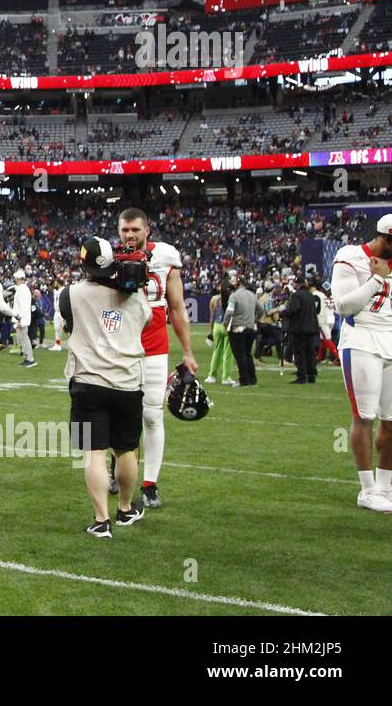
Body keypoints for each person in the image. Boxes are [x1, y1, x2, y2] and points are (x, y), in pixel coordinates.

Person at [62, 237, 153, 539]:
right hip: (127, 382)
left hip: (88, 381)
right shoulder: (137, 297)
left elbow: (67, 324)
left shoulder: (71, 294)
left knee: (94, 453)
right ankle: (125, 508)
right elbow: (145, 320)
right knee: (126, 450)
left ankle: (101, 520)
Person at [116, 208, 196, 510]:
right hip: (120, 347)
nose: (130, 235)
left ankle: (149, 483)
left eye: (135, 229)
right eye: (125, 230)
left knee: (152, 415)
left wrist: (187, 352)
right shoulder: (109, 257)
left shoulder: (164, 256)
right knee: (122, 414)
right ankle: (120, 470)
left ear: (147, 230)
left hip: (154, 346)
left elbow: (176, 308)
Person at [330, 214, 392, 512]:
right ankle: (367, 490)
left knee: (391, 421)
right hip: (361, 338)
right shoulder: (350, 256)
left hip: (390, 338)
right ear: (383, 240)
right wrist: (376, 279)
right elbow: (344, 306)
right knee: (364, 416)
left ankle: (385, 486)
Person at [281, 272, 321, 385]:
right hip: (312, 328)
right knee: (310, 353)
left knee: (299, 353)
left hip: (299, 328)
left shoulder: (296, 295)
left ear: (297, 285)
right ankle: (312, 375)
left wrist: (284, 312)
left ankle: (302, 375)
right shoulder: (310, 295)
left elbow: (294, 310)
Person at [224, 272, 259, 387]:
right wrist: (254, 319)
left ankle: (243, 379)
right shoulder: (253, 295)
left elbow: (229, 312)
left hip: (238, 328)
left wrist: (225, 323)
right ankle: (252, 379)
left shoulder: (234, 296)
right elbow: (262, 310)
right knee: (248, 354)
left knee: (240, 355)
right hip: (250, 328)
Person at [204, 279, 234, 385]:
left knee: (216, 351)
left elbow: (211, 317)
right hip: (228, 326)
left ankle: (212, 376)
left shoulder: (214, 299)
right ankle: (226, 377)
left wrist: (211, 331)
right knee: (228, 353)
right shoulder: (233, 299)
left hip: (217, 325)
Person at [12, 269, 35, 368]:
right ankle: (27, 358)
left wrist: (21, 321)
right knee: (23, 339)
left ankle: (30, 359)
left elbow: (24, 306)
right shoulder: (22, 289)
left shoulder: (23, 289)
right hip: (21, 318)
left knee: (24, 338)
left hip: (21, 318)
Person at [317, 280, 339, 366]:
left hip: (325, 319)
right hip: (332, 318)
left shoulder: (321, 296)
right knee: (323, 339)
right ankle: (319, 357)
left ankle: (338, 357)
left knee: (327, 339)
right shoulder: (333, 297)